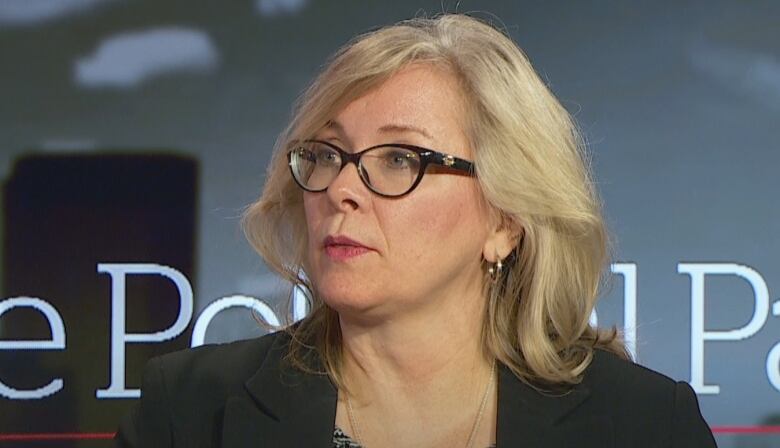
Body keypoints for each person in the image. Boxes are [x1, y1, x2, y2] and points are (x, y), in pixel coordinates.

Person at [115, 13, 717, 448]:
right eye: (325, 155)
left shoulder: (644, 424)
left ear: (506, 221)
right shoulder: (190, 409)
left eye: (400, 158)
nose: (340, 189)